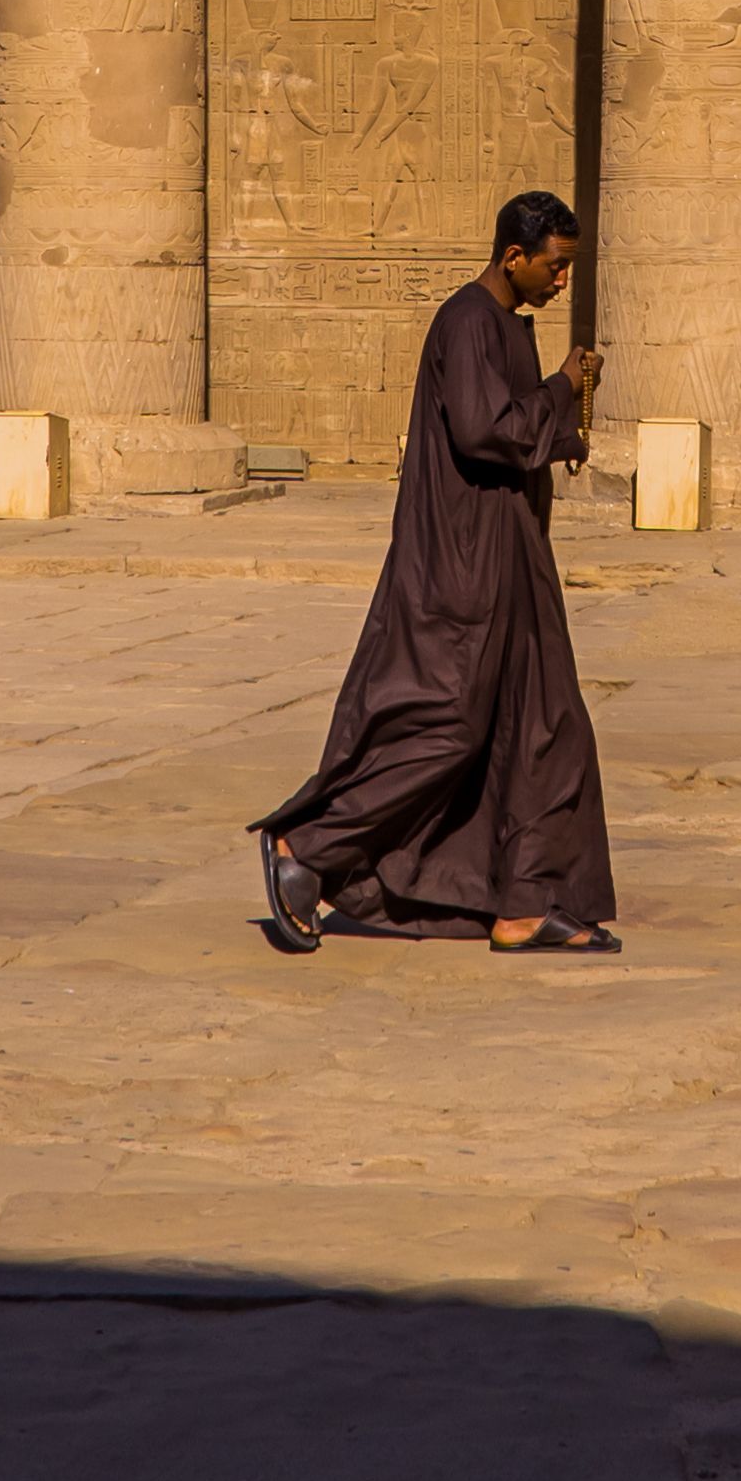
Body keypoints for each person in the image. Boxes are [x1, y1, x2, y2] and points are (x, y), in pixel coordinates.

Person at [254, 189, 618, 954]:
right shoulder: (465, 322)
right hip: (460, 559)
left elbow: (521, 433)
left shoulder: (508, 328)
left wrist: (562, 410)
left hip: (511, 551)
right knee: (447, 725)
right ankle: (307, 849)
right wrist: (559, 389)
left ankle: (521, 902)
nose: (561, 284)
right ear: (512, 258)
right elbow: (487, 432)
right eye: (554, 268)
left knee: (541, 728)